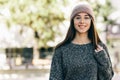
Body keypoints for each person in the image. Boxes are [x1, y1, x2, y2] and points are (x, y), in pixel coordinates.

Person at [49, 2, 114, 80]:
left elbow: (108, 78)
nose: (82, 21)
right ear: (73, 21)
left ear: (91, 21)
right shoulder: (61, 49)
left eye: (86, 17)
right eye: (78, 17)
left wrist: (102, 58)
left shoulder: (100, 47)